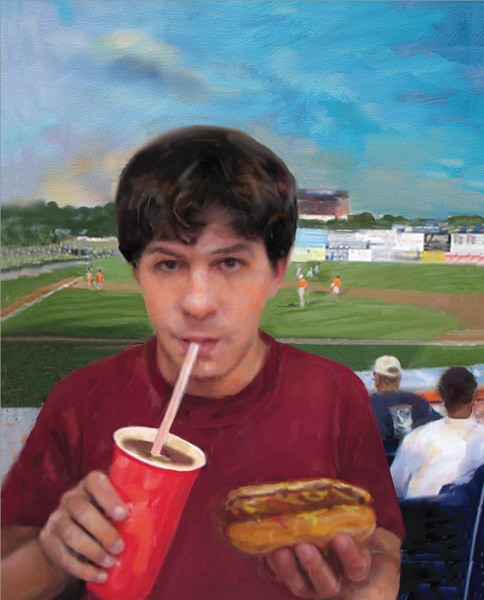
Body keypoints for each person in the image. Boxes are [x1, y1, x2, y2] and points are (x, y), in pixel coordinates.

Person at [1, 125, 404, 600]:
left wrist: (358, 588)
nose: (197, 303)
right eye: (168, 264)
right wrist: (52, 554)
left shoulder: (334, 391)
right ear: (138, 273)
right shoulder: (79, 399)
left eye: (230, 263)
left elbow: (383, 550)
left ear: (276, 272)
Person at [391, 366, 483, 498]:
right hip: (457, 513)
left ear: (440, 394)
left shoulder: (417, 437)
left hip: (418, 514)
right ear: (475, 396)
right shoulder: (480, 438)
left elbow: (394, 486)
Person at [370, 355, 442, 451]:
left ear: (376, 377)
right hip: (415, 460)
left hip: (381, 460)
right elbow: (439, 427)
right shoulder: (418, 401)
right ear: (399, 378)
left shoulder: (366, 404)